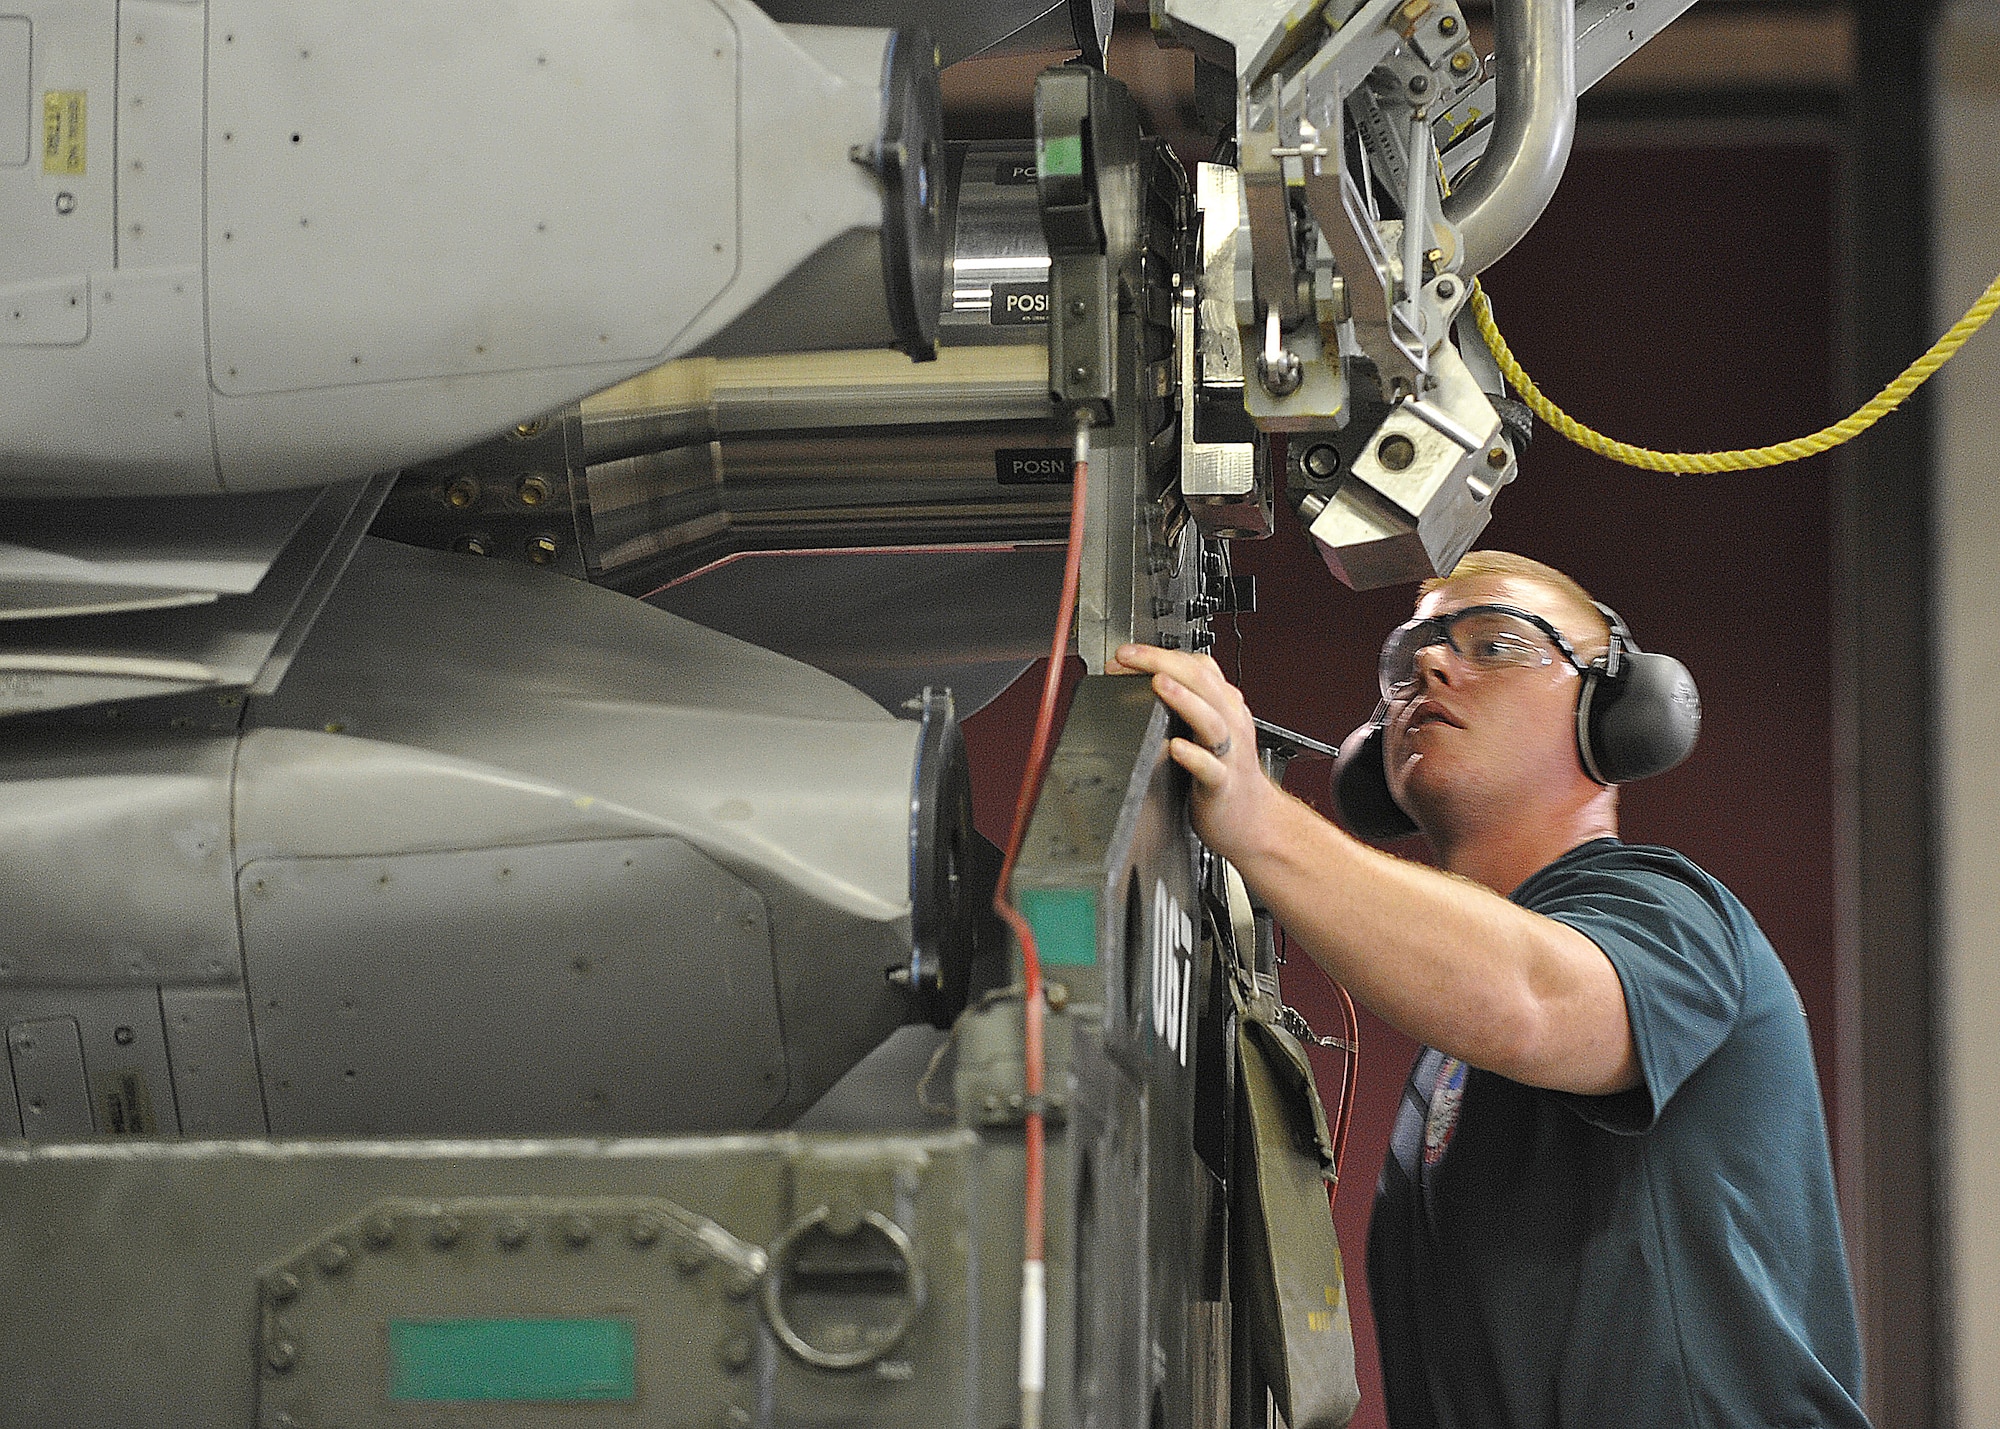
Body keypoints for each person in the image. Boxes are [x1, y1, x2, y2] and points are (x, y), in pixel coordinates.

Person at [1111, 550, 1870, 1429]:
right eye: (1411, 656)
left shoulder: (1671, 916)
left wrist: (1260, 821)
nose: (1433, 664)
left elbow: (1534, 999)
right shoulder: (1448, 1053)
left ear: (1614, 713)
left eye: (1498, 644)